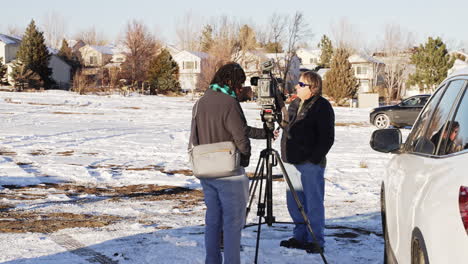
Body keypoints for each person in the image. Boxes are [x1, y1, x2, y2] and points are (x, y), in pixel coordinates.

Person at [189, 62, 263, 264]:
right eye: (239, 83)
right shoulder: (229, 102)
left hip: (206, 170)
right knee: (232, 224)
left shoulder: (201, 102)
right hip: (229, 173)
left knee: (213, 220)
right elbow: (241, 138)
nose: (240, 88)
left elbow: (194, 137)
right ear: (230, 81)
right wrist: (245, 159)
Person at [278, 71, 335, 254]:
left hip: (310, 163)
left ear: (313, 88)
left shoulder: (322, 106)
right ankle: (300, 236)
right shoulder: (295, 103)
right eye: (298, 84)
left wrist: (314, 158)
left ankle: (315, 240)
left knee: (313, 202)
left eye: (301, 85)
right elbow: (288, 127)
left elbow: (327, 137)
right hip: (290, 160)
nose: (297, 87)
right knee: (294, 201)